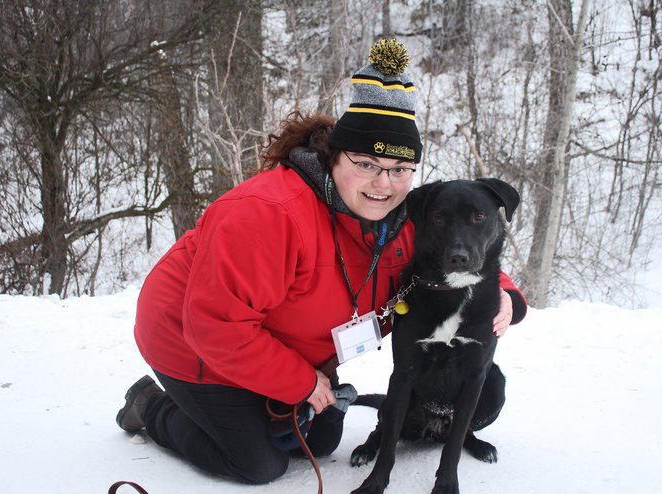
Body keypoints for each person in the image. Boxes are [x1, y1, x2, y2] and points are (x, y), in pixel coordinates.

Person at [116, 39, 527, 485]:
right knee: (258, 464)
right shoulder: (267, 214)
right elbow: (216, 326)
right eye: (366, 163)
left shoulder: (404, 215)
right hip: (191, 343)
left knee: (322, 442)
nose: (383, 183)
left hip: (279, 345)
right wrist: (303, 384)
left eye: (399, 169)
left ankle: (256, 402)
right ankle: (151, 406)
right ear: (335, 156)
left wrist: (505, 293)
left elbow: (451, 252)